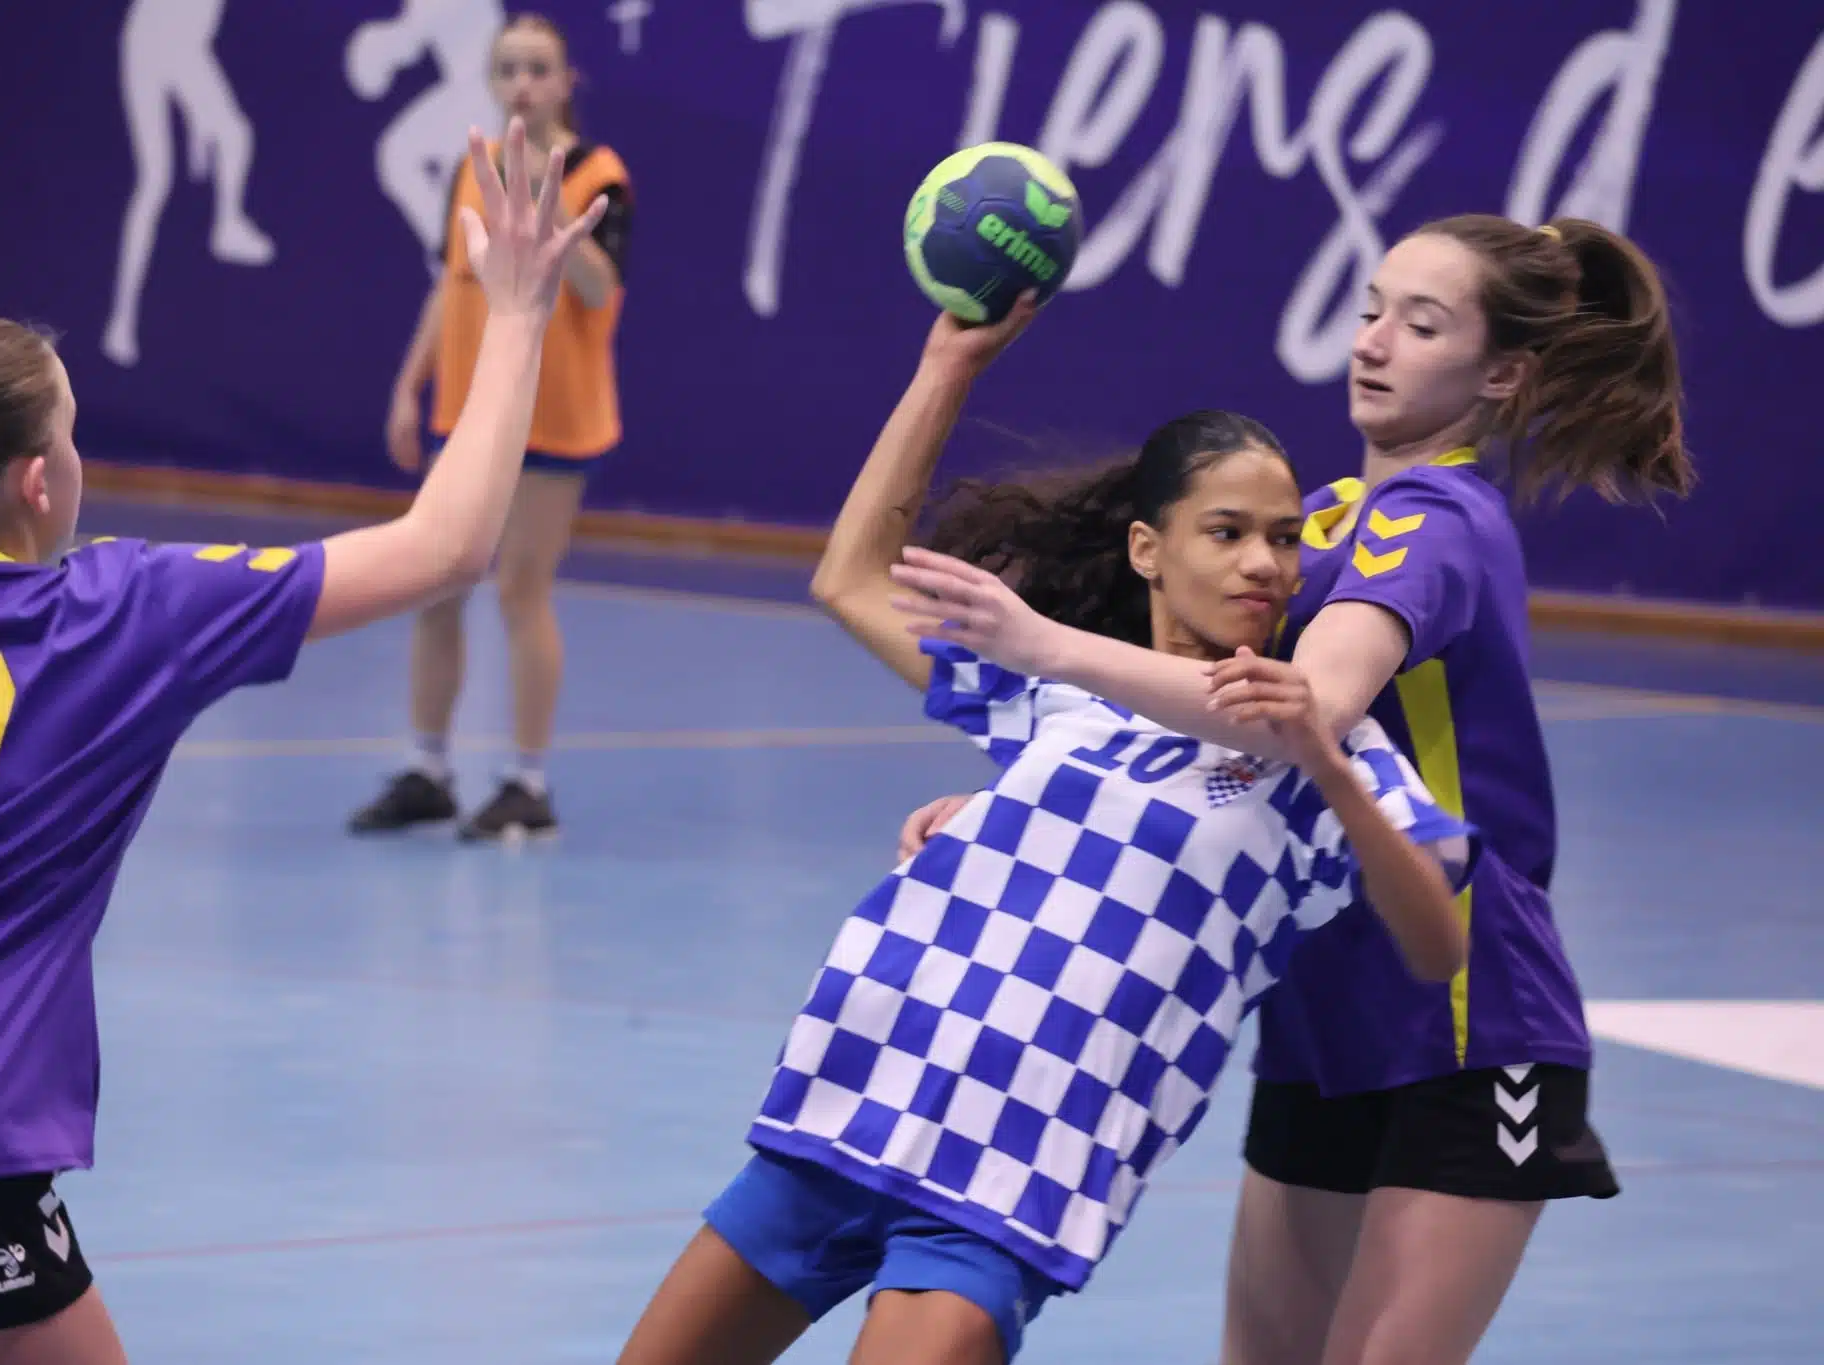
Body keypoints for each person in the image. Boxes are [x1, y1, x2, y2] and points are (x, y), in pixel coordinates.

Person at [0, 121, 602, 1362]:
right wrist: (519, 314)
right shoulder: (119, 611)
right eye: (69, 431)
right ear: (38, 483)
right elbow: (445, 548)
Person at [886, 213, 1691, 1365]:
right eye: (1369, 310)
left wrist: (1045, 646)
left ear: (1501, 375)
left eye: (1421, 325)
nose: (1372, 341)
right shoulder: (1316, 522)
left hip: (1468, 1032)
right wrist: (1018, 806)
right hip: (1319, 1021)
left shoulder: (1430, 523)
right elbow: (1175, 728)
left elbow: (1296, 708)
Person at [611, 301, 1477, 1365]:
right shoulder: (1060, 692)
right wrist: (945, 366)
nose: (1264, 562)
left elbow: (1436, 942)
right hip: (849, 1110)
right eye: (1227, 532)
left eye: (1284, 538)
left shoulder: (1325, 751)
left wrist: (1327, 763)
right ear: (1147, 549)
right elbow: (850, 578)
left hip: (1012, 1180)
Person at [350, 11, 633, 843]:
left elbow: (600, 288)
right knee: (434, 582)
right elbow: (452, 285)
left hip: (554, 419)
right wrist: (408, 386)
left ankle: (528, 783)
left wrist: (548, 214)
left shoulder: (598, 176)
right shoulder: (472, 173)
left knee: (519, 590)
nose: (523, 84)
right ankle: (429, 770)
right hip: (467, 413)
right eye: (508, 69)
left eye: (539, 69)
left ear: (567, 81)